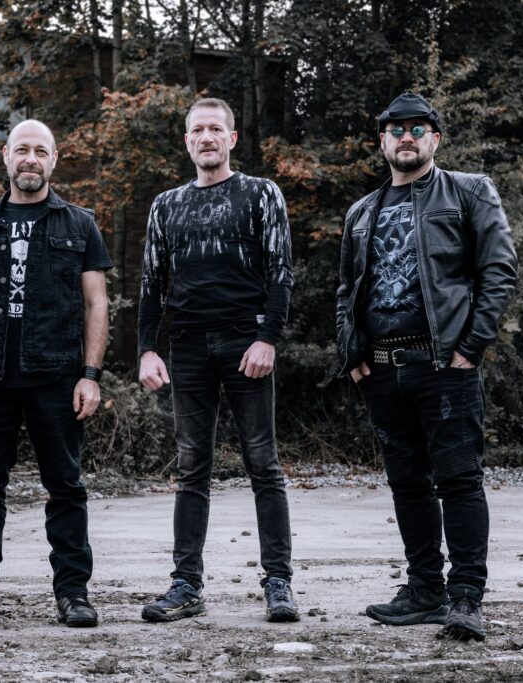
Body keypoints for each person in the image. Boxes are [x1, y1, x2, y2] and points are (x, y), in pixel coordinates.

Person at [336, 92, 517, 641]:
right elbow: (346, 288)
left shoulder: (468, 191)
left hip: (444, 365)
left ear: (435, 139)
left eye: (418, 128)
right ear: (382, 141)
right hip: (382, 370)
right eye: (396, 129)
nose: (406, 137)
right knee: (407, 484)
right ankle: (423, 591)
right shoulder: (361, 211)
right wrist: (352, 354)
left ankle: (465, 599)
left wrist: (471, 347)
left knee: (459, 479)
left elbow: (499, 270)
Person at [0, 119, 112, 628]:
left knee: (66, 487)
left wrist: (91, 374)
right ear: (7, 156)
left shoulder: (80, 225)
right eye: (22, 150)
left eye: (41, 151)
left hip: (56, 376)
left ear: (54, 160)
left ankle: (73, 593)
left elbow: (96, 303)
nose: (31, 159)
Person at [137, 98, 299, 623]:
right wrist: (146, 349)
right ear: (187, 141)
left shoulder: (260, 193)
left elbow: (280, 272)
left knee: (263, 463)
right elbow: (151, 284)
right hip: (187, 346)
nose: (206, 137)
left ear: (231, 139)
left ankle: (278, 582)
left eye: (215, 129)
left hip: (245, 341)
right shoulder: (166, 205)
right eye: (197, 130)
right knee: (191, 468)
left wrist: (268, 339)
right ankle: (186, 585)